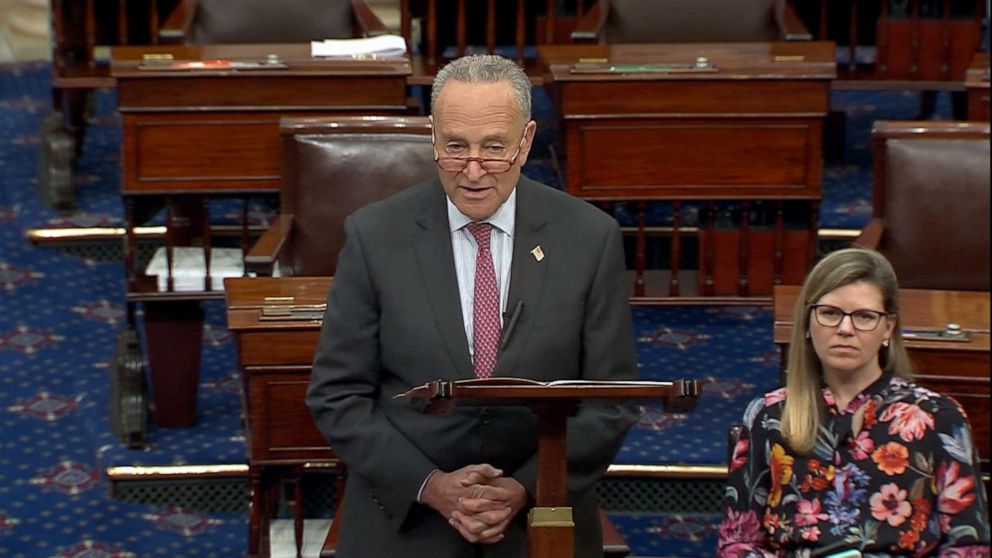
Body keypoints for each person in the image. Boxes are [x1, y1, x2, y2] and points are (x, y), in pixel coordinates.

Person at [306, 54, 640, 558]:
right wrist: (433, 486)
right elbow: (337, 394)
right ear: (433, 139)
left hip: (539, 514)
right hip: (406, 514)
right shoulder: (374, 235)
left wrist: (523, 487)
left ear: (526, 142)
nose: (473, 171)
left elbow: (611, 398)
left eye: (494, 148)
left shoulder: (589, 238)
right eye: (455, 148)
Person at [718, 247, 990, 557]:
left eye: (864, 316)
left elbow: (970, 547)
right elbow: (738, 543)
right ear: (807, 321)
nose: (845, 329)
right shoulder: (768, 415)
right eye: (830, 313)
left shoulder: (937, 417)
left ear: (888, 327)